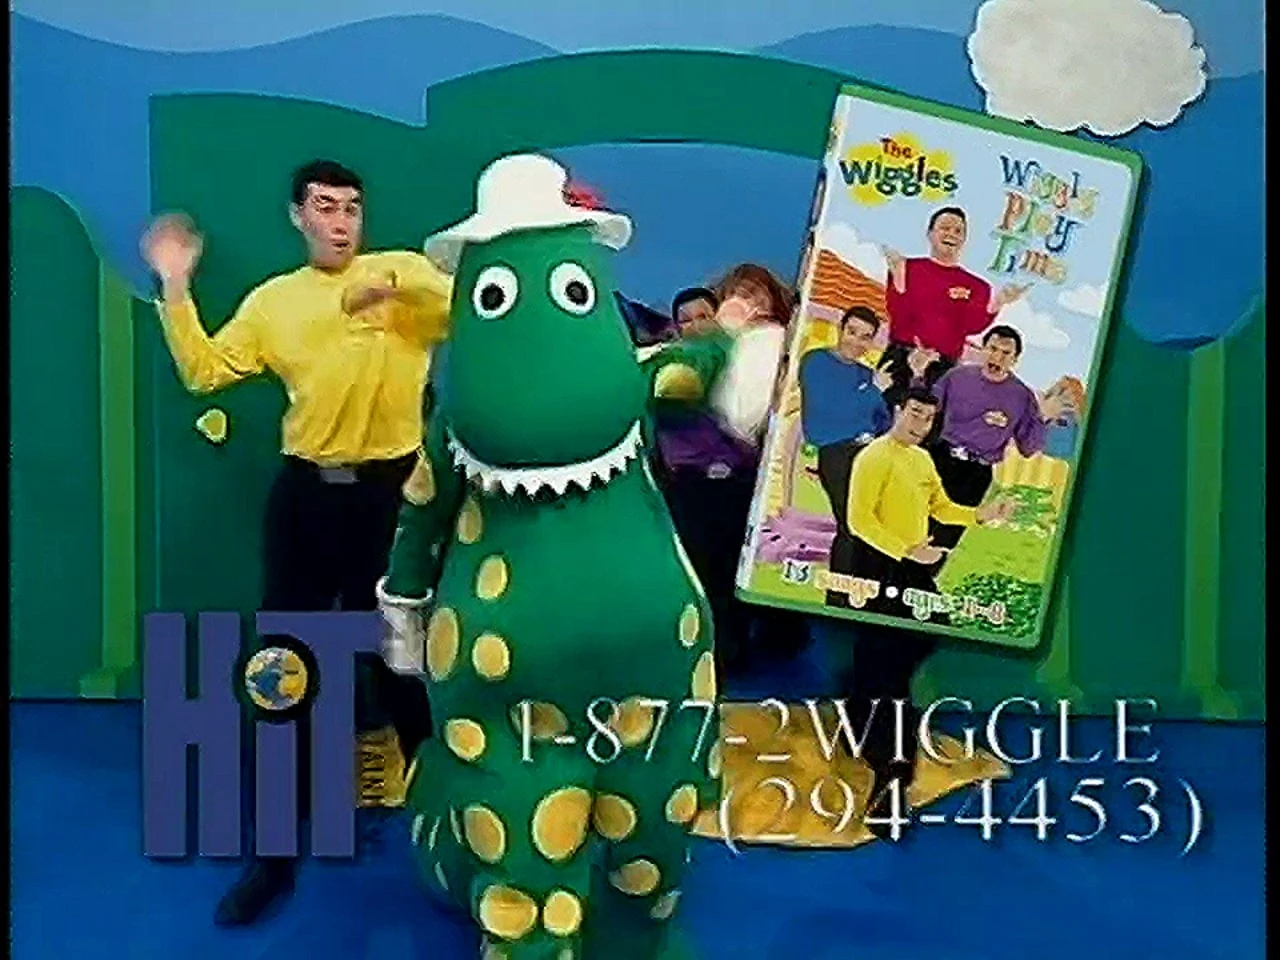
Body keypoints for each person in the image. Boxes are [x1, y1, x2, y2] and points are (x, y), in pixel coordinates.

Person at [141, 159, 447, 926]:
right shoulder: (273, 302)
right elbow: (206, 372)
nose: (342, 222)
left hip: (392, 499)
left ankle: (455, 827)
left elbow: (465, 311)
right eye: (326, 207)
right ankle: (274, 858)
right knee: (285, 671)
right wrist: (176, 285)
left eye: (352, 208)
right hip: (306, 499)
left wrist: (393, 295)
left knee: (402, 666)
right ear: (298, 216)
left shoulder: (403, 272)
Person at [825, 389, 1010, 835]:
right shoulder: (874, 457)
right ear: (897, 412)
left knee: (897, 660)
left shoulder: (922, 460)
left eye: (927, 418)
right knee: (886, 674)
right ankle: (889, 779)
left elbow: (941, 507)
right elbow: (859, 520)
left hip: (910, 573)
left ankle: (860, 714)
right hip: (875, 570)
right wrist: (907, 550)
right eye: (914, 414)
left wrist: (982, 514)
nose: (920, 424)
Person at [656, 263, 805, 673]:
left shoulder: (771, 342)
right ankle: (718, 653)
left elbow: (749, 413)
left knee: (748, 566)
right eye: (686, 320)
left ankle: (766, 643)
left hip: (747, 480)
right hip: (692, 487)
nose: (746, 303)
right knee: (705, 573)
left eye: (755, 294)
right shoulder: (678, 361)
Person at [926, 325, 1068, 568]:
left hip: (977, 474)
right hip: (940, 459)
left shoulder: (1022, 396)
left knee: (947, 536)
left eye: (1005, 353)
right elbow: (928, 409)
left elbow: (1028, 448)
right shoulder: (957, 377)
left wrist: (1042, 418)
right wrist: (919, 375)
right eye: (993, 349)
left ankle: (921, 584)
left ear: (1015, 360)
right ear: (983, 349)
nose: (997, 357)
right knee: (913, 521)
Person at [879, 207, 1028, 409]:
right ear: (930, 233)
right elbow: (899, 314)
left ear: (964, 239)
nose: (951, 234)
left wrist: (999, 301)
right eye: (945, 228)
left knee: (930, 424)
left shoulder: (977, 286)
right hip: (901, 358)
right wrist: (898, 276)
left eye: (958, 231)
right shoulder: (906, 267)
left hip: (942, 368)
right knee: (881, 415)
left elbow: (973, 326)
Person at [797, 306, 896, 606]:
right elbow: (828, 413)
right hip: (837, 452)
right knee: (852, 524)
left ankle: (863, 596)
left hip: (869, 454)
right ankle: (838, 598)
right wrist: (872, 392)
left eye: (865, 337)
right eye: (852, 332)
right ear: (840, 329)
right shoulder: (815, 361)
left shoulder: (867, 374)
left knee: (873, 526)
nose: (857, 341)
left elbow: (882, 420)